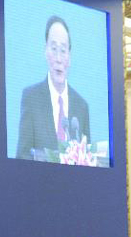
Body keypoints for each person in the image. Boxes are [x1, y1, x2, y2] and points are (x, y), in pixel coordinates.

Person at [16, 16, 91, 160]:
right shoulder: (31, 98)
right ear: (45, 51)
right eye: (54, 49)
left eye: (63, 50)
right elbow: (22, 155)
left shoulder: (82, 107)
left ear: (70, 56)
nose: (58, 58)